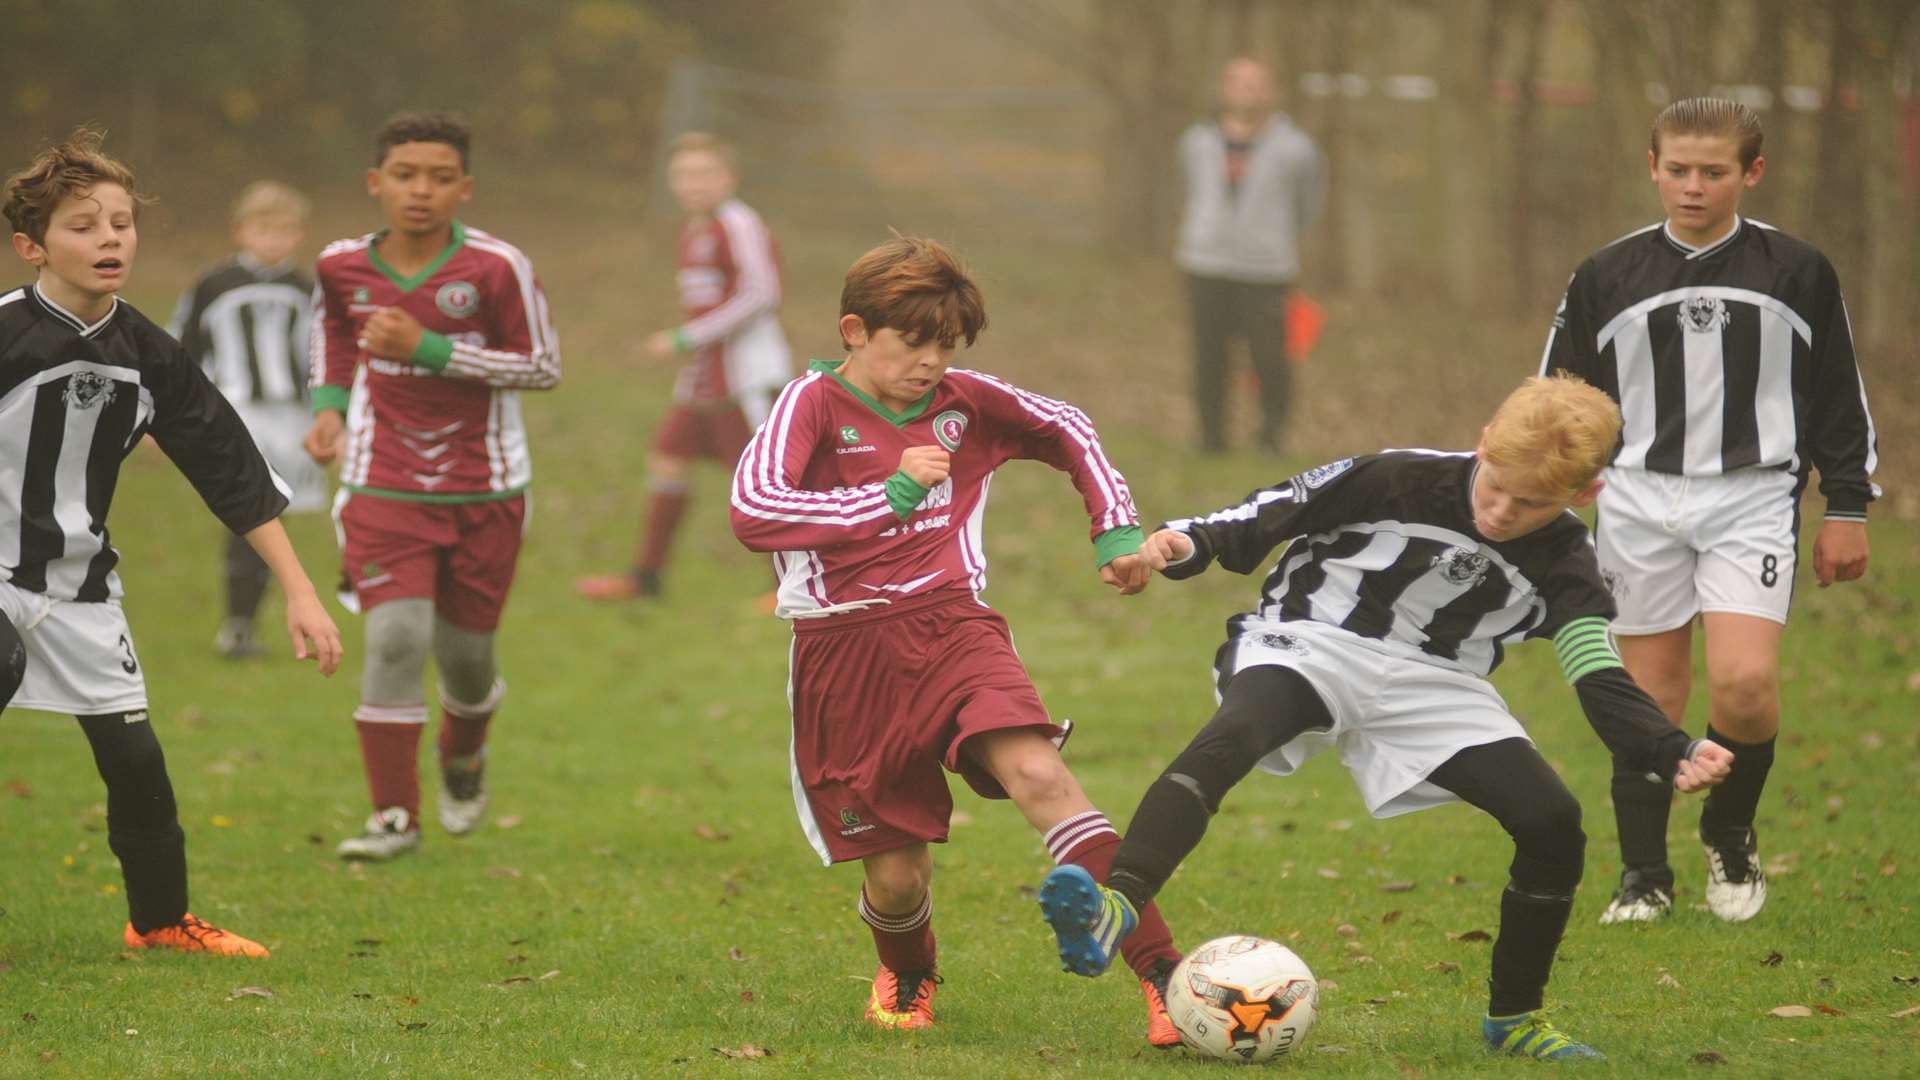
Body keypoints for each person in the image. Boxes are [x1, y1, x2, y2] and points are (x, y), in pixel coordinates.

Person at [1038, 375, 1734, 1061]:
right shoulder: (1397, 477)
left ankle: (1515, 1020)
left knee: (1551, 820)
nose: (1500, 512)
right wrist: (1183, 544)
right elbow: (1270, 511)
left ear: (1585, 495)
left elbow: (1595, 669)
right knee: (1234, 734)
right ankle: (1117, 908)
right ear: (1485, 441)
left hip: (1438, 683)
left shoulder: (1568, 559)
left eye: (1530, 504)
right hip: (1313, 640)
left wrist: (1667, 744)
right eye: (1495, 485)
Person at [729, 235, 1183, 1043]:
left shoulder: (966, 402)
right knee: (899, 879)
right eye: (912, 343)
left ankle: (1167, 981)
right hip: (845, 652)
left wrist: (1115, 529)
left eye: (945, 346)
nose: (930, 363)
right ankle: (908, 970)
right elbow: (753, 510)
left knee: (1041, 775)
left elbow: (1066, 426)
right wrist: (890, 493)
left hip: (954, 628)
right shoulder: (810, 405)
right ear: (855, 330)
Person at [2, 128, 343, 955]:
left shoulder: (149, 352)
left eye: (122, 221)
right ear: (31, 246)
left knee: (137, 762)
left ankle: (160, 923)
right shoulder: (6, 334)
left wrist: (299, 592)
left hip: (80, 591)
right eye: (84, 225)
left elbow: (230, 467)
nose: (110, 237)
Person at [1539, 97, 1878, 925]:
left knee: (1746, 682)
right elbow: (1556, 394)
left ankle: (1729, 831)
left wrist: (1849, 505)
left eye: (1713, 172)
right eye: (1678, 170)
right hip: (1636, 497)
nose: (1693, 187)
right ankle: (1644, 876)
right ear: (1652, 167)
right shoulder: (1604, 275)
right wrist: (1554, 481)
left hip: (1752, 495)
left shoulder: (1797, 270)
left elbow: (1838, 392)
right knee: (1651, 697)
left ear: (1750, 174)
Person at [304, 112, 561, 860]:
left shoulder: (496, 267)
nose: (422, 191)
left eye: (440, 178)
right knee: (394, 636)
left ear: (465, 189)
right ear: (376, 183)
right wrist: (327, 411)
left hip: (487, 489)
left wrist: (434, 349)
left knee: (467, 660)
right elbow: (334, 340)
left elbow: (543, 366)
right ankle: (393, 817)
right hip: (381, 483)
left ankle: (465, 755)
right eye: (407, 175)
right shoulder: (340, 265)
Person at [577, 132, 790, 601]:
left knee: (763, 482)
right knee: (669, 460)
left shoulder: (738, 222)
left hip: (744, 376)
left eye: (704, 173)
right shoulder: (696, 229)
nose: (693, 183)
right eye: (683, 175)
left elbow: (761, 293)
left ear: (728, 178)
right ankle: (647, 578)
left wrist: (683, 337)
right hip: (703, 376)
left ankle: (792, 588)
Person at [169, 180, 327, 659]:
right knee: (248, 515)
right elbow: (182, 349)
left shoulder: (309, 287)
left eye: (284, 230)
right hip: (236, 417)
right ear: (240, 230)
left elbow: (326, 355)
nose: (273, 239)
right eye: (263, 228)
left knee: (276, 519)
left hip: (292, 420)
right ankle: (237, 625)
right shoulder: (214, 284)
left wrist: (330, 415)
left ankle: (248, 622)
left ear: (299, 234)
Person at [1175, 57, 1325, 455]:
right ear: (1225, 89)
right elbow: (1190, 192)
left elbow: (1307, 206)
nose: (1248, 91)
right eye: (1240, 83)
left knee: (1270, 359)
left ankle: (1271, 439)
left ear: (1273, 92)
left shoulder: (1297, 149)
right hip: (1205, 264)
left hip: (1267, 269)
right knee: (1209, 356)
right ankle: (1211, 440)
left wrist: (1270, 237)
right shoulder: (1197, 142)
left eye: (1258, 84)